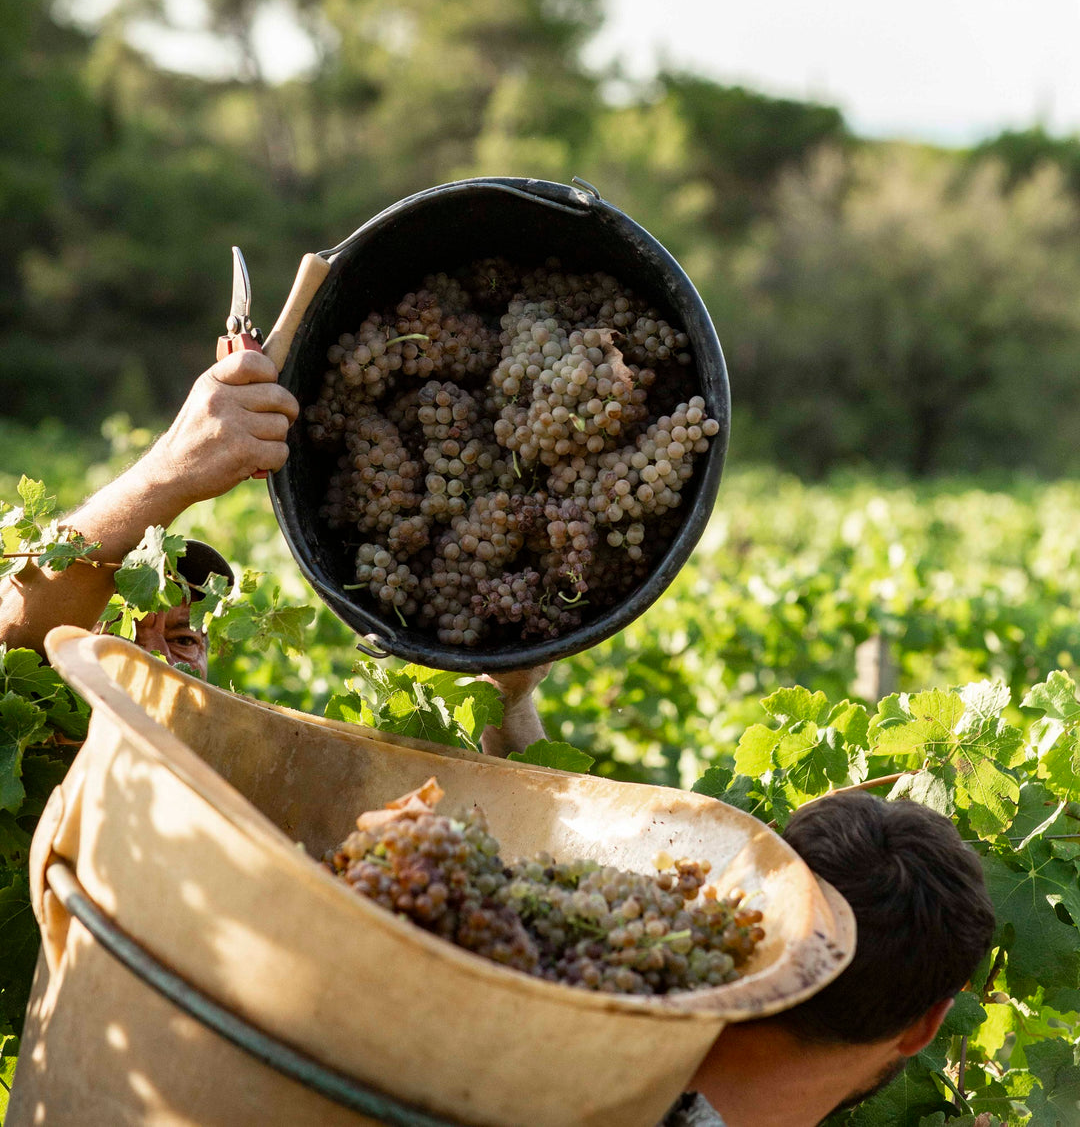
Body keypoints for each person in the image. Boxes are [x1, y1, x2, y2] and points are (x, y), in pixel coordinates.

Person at [1, 352, 996, 1127]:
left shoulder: (494, 1026)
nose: (182, 637)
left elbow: (20, 648)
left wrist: (167, 476)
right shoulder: (550, 1031)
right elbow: (526, 881)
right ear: (924, 1026)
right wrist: (513, 707)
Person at [480, 673, 996, 1127]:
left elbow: (554, 867)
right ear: (925, 1028)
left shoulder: (565, 1008)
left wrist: (507, 702)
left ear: (750, 913)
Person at [0, 347, 297, 663]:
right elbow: (12, 641)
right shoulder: (40, 708)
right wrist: (172, 467)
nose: (159, 656)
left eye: (184, 639)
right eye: (121, 637)